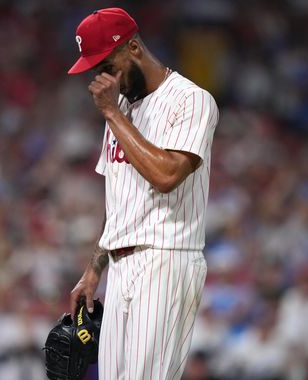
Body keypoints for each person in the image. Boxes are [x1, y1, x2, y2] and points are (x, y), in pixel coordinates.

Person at [67, 7, 219, 379]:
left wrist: (113, 116)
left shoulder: (191, 100)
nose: (102, 78)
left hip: (167, 259)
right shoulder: (118, 106)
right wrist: (93, 269)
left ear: (133, 48)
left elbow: (167, 175)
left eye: (106, 65)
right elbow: (118, 201)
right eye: (95, 70)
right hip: (121, 264)